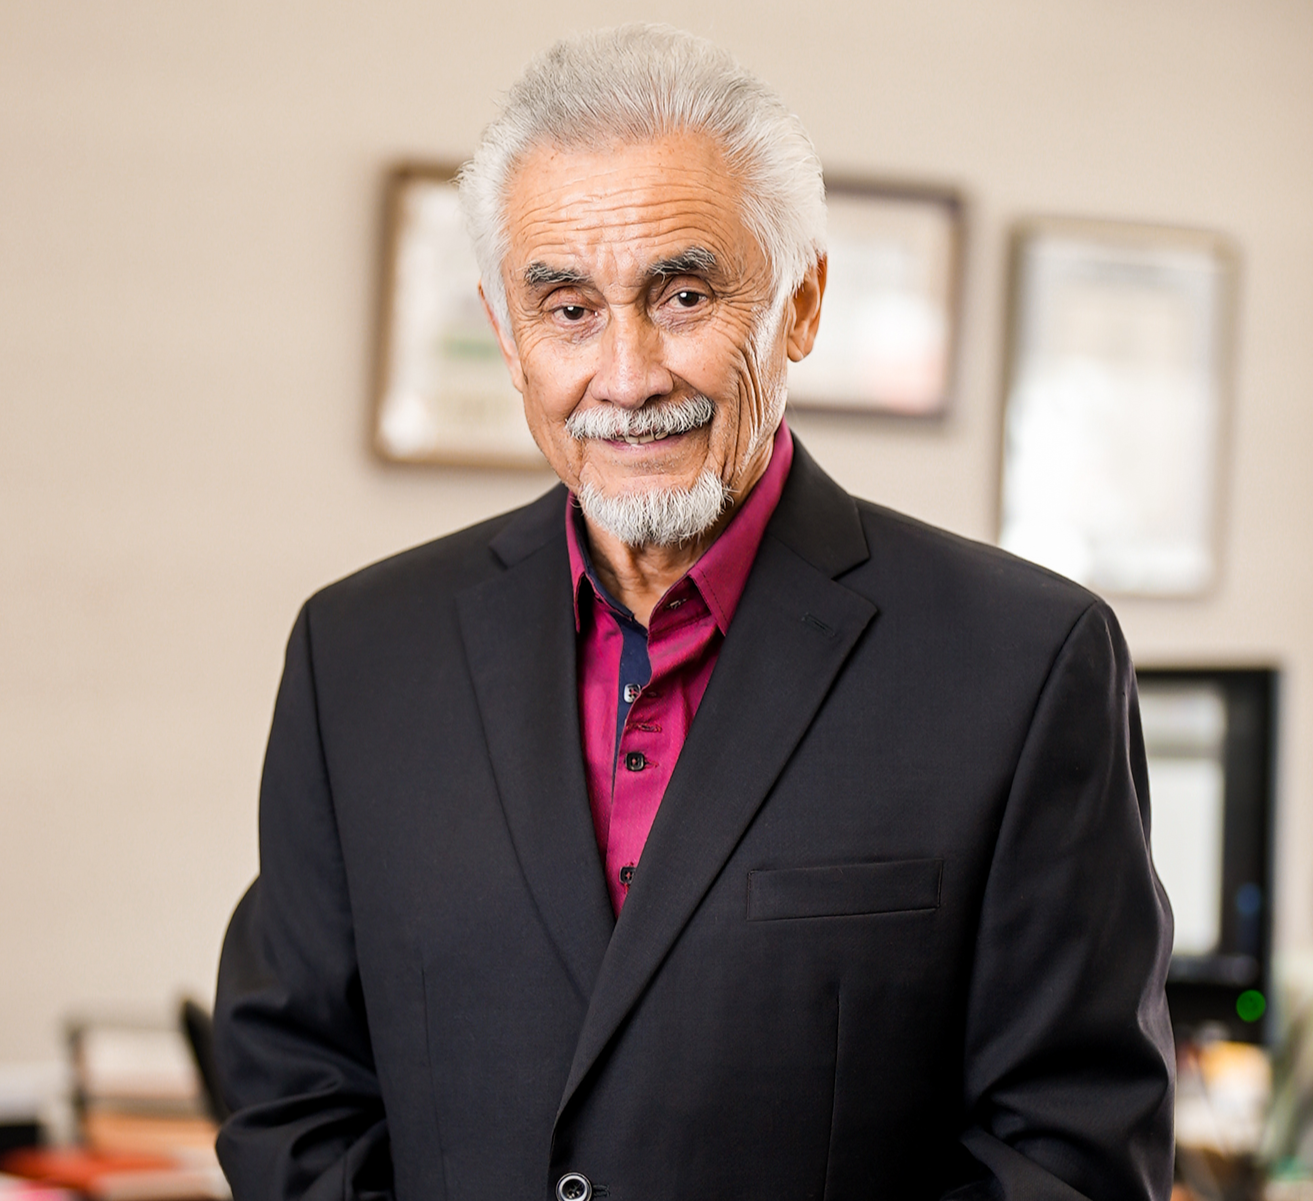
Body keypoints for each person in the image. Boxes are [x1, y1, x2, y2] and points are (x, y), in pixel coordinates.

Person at [213, 24, 1174, 1201]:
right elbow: (292, 1090)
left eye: (681, 293)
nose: (626, 376)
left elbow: (1067, 1154)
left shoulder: (1025, 666)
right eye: (565, 308)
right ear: (506, 334)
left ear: (801, 304)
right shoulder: (354, 656)